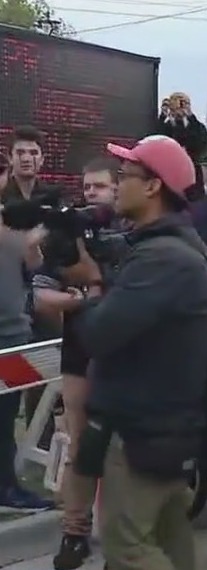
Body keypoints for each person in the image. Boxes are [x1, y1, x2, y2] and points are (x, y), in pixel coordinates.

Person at [59, 135, 207, 570]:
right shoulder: (174, 249)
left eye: (125, 175)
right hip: (165, 427)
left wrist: (91, 283)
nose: (118, 184)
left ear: (152, 186)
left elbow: (98, 334)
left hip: (142, 433)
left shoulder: (162, 259)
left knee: (128, 548)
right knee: (170, 542)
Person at [31, 157, 126, 570]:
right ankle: (74, 532)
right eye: (86, 187)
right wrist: (84, 298)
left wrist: (98, 286)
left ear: (117, 189)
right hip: (79, 353)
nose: (91, 194)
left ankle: (120, 539)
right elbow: (41, 296)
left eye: (99, 187)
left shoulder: (133, 233)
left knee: (120, 453)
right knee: (79, 447)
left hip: (123, 357)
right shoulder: (67, 236)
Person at [0, 197, 50, 513]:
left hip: (14, 335)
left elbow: (34, 267)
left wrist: (32, 245)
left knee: (5, 418)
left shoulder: (14, 222)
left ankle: (7, 485)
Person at [2, 125, 61, 205]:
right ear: (10, 158)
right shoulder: (1, 194)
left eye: (33, 153)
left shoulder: (52, 197)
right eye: (20, 153)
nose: (26, 159)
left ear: (42, 159)